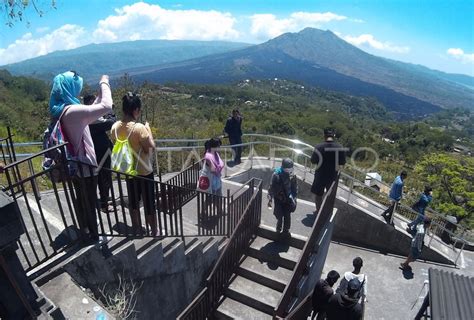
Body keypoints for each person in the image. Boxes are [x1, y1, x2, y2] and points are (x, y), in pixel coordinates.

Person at [52, 71, 113, 242]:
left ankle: (85, 230)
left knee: (82, 200)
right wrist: (104, 82)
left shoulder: (62, 109)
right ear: (70, 87)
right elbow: (107, 106)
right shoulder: (73, 112)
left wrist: (99, 95)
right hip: (84, 165)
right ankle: (94, 235)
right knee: (89, 202)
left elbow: (96, 109)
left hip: (75, 164)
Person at [111, 93, 157, 235]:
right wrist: (148, 129)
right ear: (136, 110)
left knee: (133, 201)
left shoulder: (115, 127)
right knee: (149, 203)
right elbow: (149, 147)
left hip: (128, 170)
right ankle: (154, 231)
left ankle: (136, 228)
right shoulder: (139, 128)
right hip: (144, 171)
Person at [86, 95, 116, 213]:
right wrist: (109, 109)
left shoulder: (84, 118)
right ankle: (104, 204)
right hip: (101, 153)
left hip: (91, 153)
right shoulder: (93, 119)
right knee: (104, 177)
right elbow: (111, 123)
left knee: (95, 177)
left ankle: (97, 201)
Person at [310, 127, 346, 214]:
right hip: (332, 176)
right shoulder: (339, 147)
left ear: (324, 135)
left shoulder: (318, 147)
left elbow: (313, 160)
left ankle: (319, 212)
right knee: (330, 195)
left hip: (320, 175)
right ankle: (327, 212)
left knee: (318, 195)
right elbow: (342, 162)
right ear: (333, 136)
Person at [267, 158, 298, 238]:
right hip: (279, 199)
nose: (289, 170)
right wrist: (270, 197)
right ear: (283, 167)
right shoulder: (276, 175)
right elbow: (272, 187)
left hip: (288, 199)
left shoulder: (292, 176)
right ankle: (278, 229)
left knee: (287, 216)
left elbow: (294, 187)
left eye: (290, 168)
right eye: (287, 168)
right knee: (279, 215)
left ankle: (286, 231)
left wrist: (294, 198)